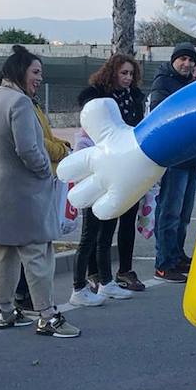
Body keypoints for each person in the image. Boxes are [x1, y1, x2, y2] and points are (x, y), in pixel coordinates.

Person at [0, 45, 79, 338]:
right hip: (26, 191)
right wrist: (44, 172)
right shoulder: (20, 104)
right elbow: (29, 149)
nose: (39, 78)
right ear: (19, 72)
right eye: (35, 72)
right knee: (37, 252)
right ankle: (48, 315)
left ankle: (5, 311)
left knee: (4, 252)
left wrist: (1, 163)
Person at [70, 53, 146, 306]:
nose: (128, 78)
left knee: (106, 234)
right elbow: (82, 150)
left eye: (131, 73)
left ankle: (106, 282)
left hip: (119, 172)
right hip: (97, 175)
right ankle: (79, 287)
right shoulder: (93, 115)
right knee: (89, 235)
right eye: (123, 73)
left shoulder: (133, 98)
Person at [148, 42, 196, 282]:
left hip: (193, 157)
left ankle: (177, 254)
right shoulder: (164, 83)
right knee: (169, 212)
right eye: (182, 59)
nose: (187, 64)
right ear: (173, 60)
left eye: (191, 60)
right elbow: (164, 117)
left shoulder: (191, 84)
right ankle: (164, 263)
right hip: (175, 158)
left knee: (183, 213)